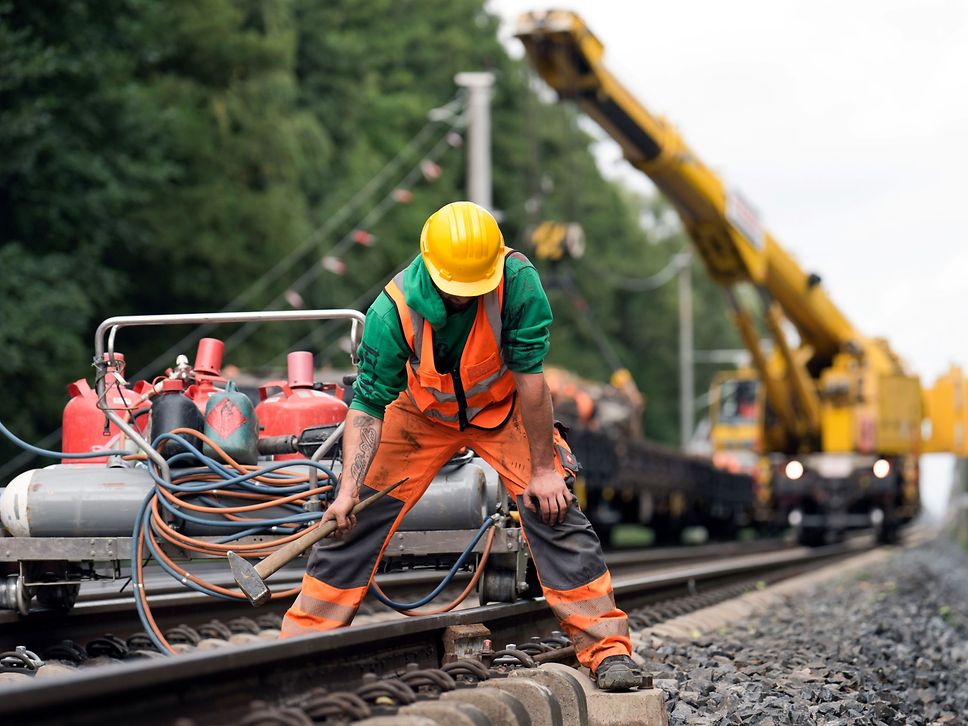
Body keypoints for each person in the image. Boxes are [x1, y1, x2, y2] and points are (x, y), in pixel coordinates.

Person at [280, 201, 644, 691]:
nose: (464, 300)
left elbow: (532, 383)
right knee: (350, 522)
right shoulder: (392, 310)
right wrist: (347, 489)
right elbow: (367, 407)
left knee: (552, 505)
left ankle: (607, 650)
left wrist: (542, 469)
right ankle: (299, 647)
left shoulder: (518, 284)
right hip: (421, 413)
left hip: (503, 409)